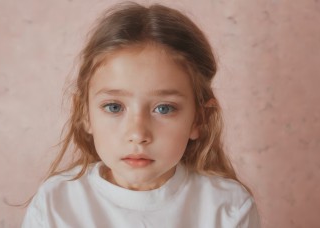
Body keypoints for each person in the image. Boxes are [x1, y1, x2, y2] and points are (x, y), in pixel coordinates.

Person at [22, 2, 261, 227]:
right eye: (114, 107)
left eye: (163, 108)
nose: (138, 134)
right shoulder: (55, 205)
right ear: (84, 113)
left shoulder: (227, 208)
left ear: (199, 118)